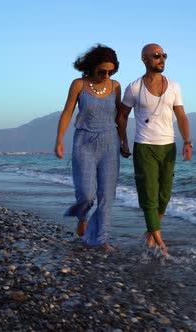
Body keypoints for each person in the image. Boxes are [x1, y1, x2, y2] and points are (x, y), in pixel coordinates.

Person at [117, 43, 192, 256]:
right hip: (144, 147)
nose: (162, 59)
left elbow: (181, 116)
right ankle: (159, 241)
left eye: (164, 55)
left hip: (168, 147)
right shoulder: (134, 87)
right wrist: (123, 141)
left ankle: (151, 231)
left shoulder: (174, 86)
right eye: (157, 56)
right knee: (148, 194)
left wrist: (187, 141)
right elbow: (121, 116)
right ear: (144, 59)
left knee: (164, 195)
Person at [54, 44, 122, 252]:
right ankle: (82, 216)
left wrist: (125, 142)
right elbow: (67, 112)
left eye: (111, 71)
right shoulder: (79, 85)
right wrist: (59, 140)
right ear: (92, 67)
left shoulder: (116, 87)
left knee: (106, 196)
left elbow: (120, 117)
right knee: (86, 194)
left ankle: (100, 239)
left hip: (110, 143)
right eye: (102, 71)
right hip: (84, 142)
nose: (107, 75)